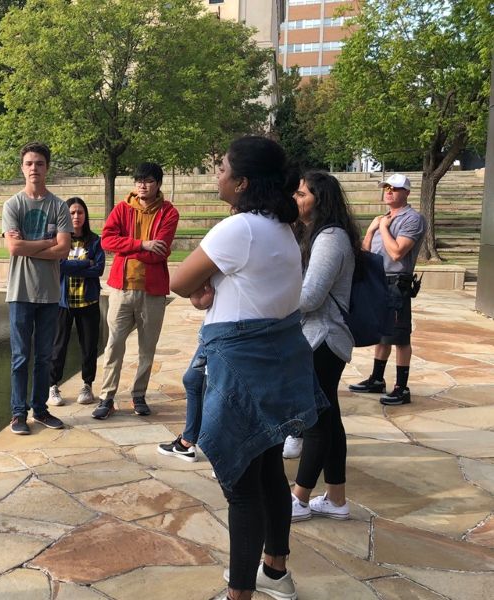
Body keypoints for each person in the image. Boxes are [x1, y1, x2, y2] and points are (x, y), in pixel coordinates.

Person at [170, 136, 326, 600]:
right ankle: (274, 572)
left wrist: (200, 291)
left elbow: (180, 281)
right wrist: (206, 291)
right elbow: (226, 291)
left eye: (221, 168)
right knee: (268, 473)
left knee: (241, 486)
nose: (215, 175)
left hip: (243, 370)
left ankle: (239, 594)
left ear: (240, 182)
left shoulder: (237, 230)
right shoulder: (282, 229)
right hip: (277, 363)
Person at [288, 171, 361, 523]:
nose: (296, 199)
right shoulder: (315, 234)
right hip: (321, 337)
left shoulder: (331, 237)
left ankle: (299, 498)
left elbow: (310, 296)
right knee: (329, 419)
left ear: (321, 199)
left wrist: (269, 298)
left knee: (315, 420)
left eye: (302, 194)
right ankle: (336, 498)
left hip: (323, 338)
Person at [92, 162, 179, 420]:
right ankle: (107, 397)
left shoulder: (169, 213)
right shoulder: (122, 208)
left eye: (149, 180)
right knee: (114, 344)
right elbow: (106, 241)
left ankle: (138, 395)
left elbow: (160, 251)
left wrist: (130, 248)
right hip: (121, 288)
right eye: (139, 180)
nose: (142, 185)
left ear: (158, 184)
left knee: (147, 347)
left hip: (152, 291)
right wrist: (143, 244)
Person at [3, 141, 72, 435]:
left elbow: (64, 249)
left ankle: (40, 409)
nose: (34, 168)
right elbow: (13, 247)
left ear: (47, 168)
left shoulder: (58, 206)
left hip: (48, 294)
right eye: (29, 163)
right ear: (22, 168)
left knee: (44, 356)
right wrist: (48, 241)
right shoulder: (13, 205)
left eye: (39, 164)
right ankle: (19, 413)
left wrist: (29, 246)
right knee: (21, 356)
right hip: (19, 292)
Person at [348, 173, 427, 405]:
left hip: (397, 281)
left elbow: (396, 252)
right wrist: (372, 230)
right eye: (387, 188)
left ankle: (402, 388)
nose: (389, 191)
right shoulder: (383, 218)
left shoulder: (412, 219)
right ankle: (377, 379)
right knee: (382, 332)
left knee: (400, 336)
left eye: (395, 188)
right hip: (379, 279)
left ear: (407, 193)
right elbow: (367, 253)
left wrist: (382, 227)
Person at [48, 197, 106, 407]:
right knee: (58, 346)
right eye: (71, 213)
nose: (76, 216)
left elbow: (98, 269)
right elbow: (60, 267)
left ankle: (87, 385)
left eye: (79, 212)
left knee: (89, 346)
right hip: (63, 302)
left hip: (87, 301)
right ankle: (53, 386)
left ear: (85, 215)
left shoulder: (95, 241)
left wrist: (77, 265)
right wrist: (85, 263)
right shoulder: (59, 240)